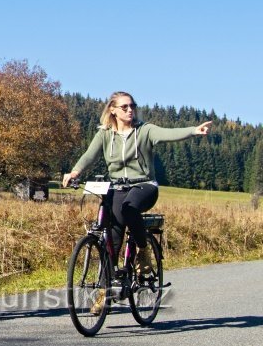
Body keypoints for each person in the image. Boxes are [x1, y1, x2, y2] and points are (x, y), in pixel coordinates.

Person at [62, 91, 211, 275]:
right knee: (113, 237)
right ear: (113, 110)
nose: (130, 110)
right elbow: (89, 155)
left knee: (129, 209)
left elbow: (168, 133)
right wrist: (75, 172)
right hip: (117, 187)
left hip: (144, 185)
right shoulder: (105, 134)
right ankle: (105, 289)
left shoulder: (144, 130)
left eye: (132, 106)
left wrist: (193, 130)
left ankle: (142, 250)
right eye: (124, 107)